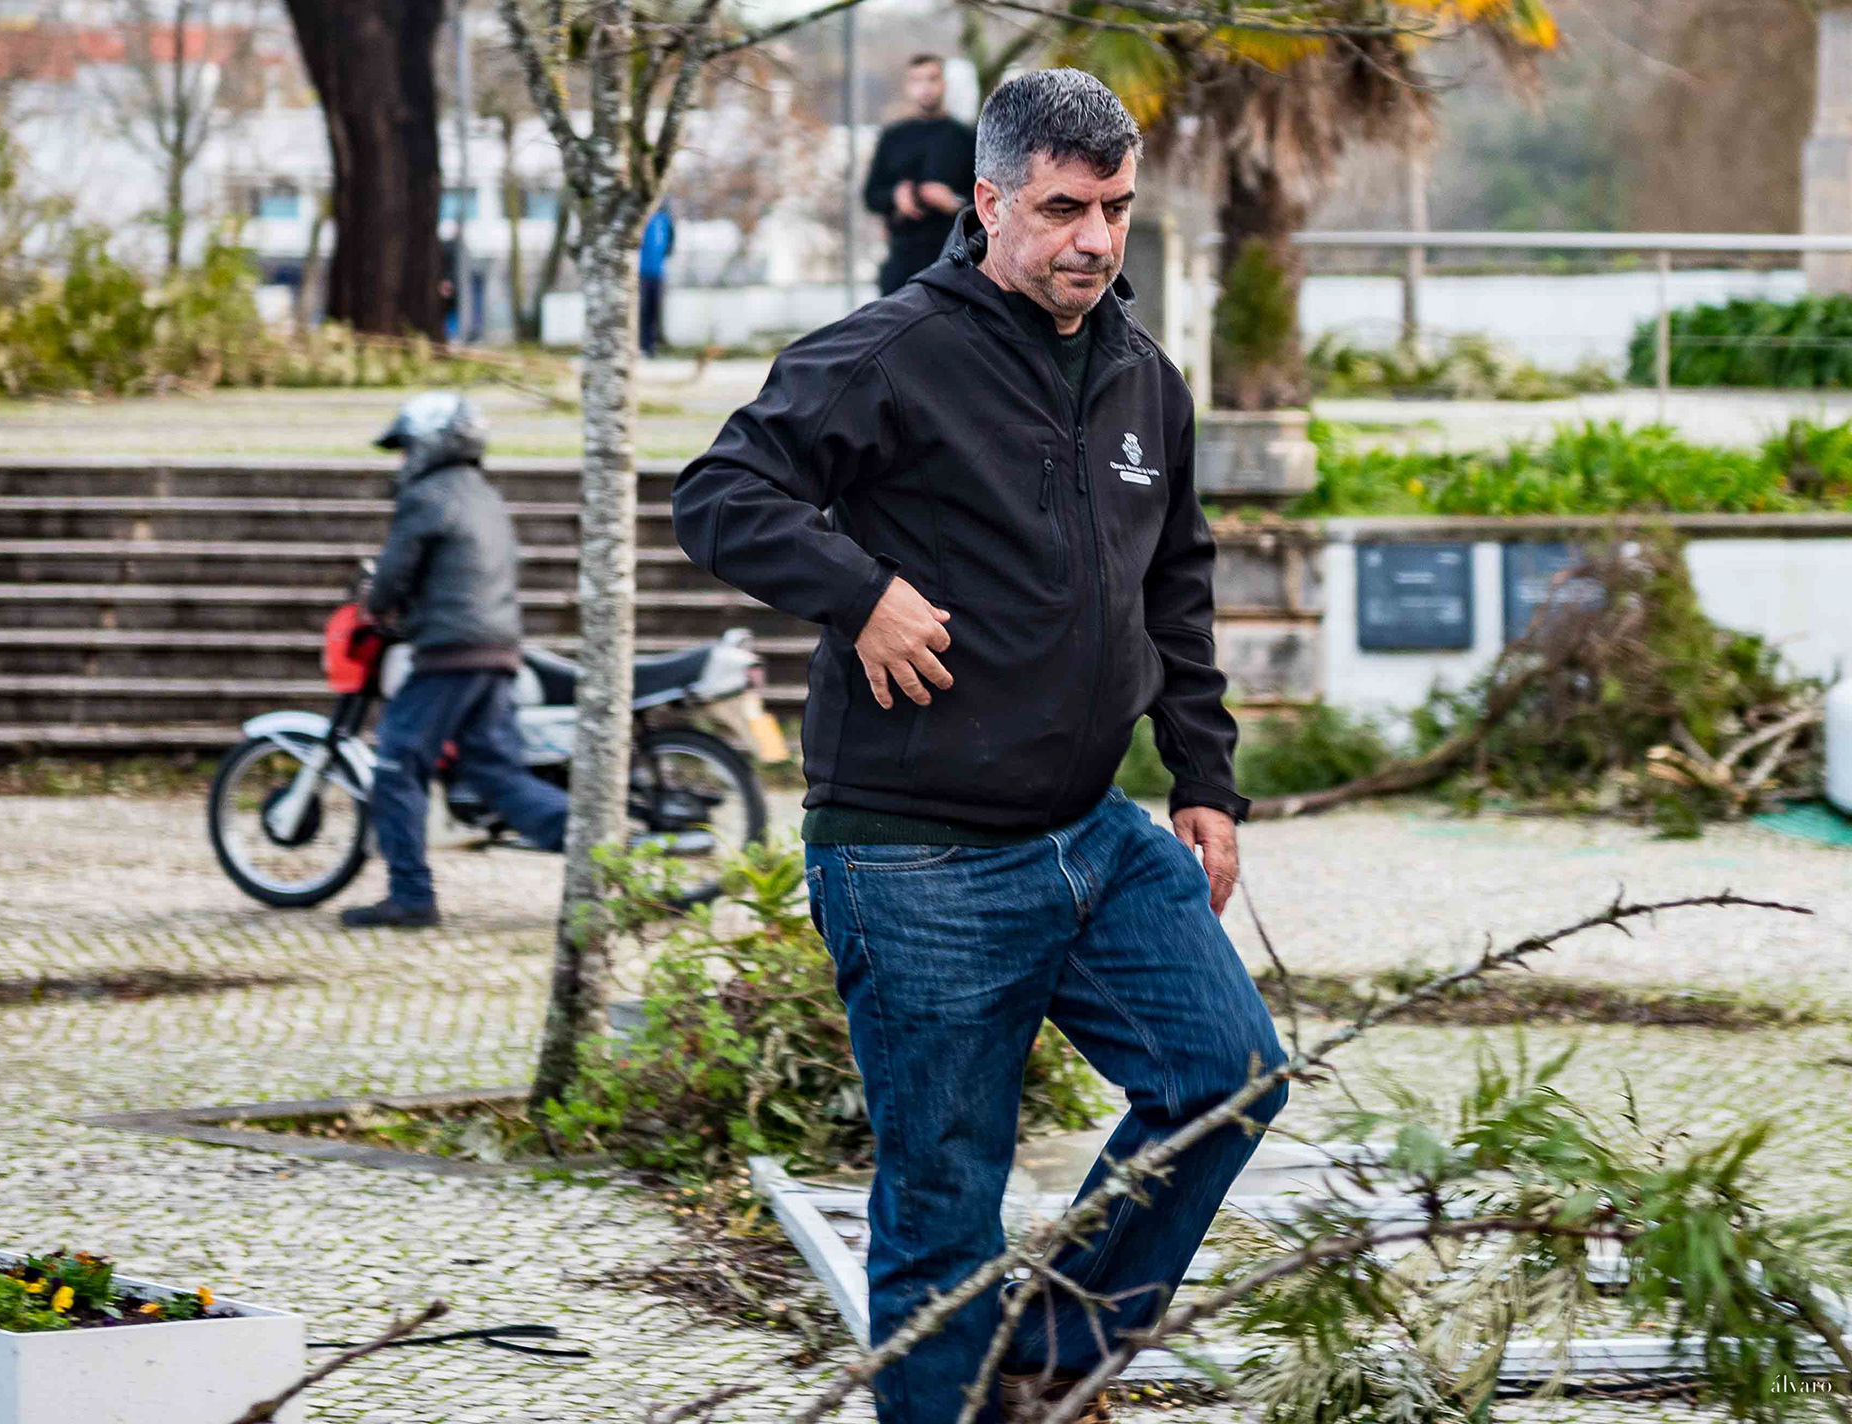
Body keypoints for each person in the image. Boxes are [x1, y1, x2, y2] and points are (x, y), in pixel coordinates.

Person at [671, 70, 1288, 1423]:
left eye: (1116, 207)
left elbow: (1171, 587)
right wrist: (860, 590)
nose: (1095, 238)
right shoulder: (896, 351)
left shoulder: (1142, 378)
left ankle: (1049, 1364)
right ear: (990, 201)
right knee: (945, 1213)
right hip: (918, 857)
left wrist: (1203, 779)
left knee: (1227, 1077)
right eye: (1065, 207)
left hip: (1093, 838)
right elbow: (720, 492)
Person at [342, 391, 568, 931]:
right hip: (495, 650)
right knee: (497, 774)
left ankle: (411, 896)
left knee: (396, 764)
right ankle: (607, 850)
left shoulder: (425, 497)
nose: (401, 460)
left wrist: (376, 603)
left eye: (405, 447)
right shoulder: (484, 495)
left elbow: (395, 572)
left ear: (429, 444)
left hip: (449, 652)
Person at [861, 53, 977, 296]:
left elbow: (988, 201)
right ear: (907, 86)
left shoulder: (967, 138)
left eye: (932, 78)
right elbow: (870, 196)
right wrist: (896, 196)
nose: (925, 88)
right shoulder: (892, 138)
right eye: (917, 80)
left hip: (953, 263)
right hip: (901, 263)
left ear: (944, 83)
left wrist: (953, 203)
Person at [639, 201, 675, 356]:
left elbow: (671, 240)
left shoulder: (664, 218)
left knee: (655, 310)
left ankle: (651, 346)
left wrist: (664, 255)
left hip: (658, 271)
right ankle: (641, 344)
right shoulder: (640, 216)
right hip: (639, 272)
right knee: (642, 310)